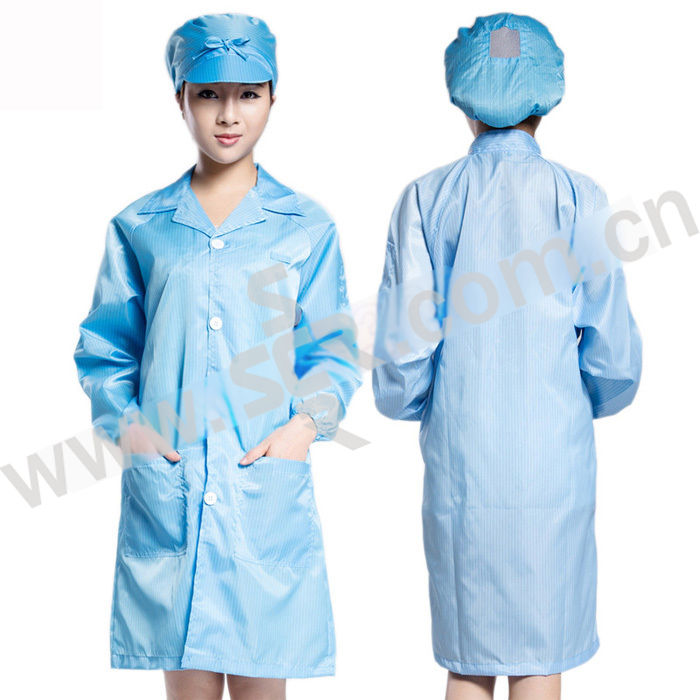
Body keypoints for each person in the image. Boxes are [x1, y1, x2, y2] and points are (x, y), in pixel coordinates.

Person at [73, 12, 362, 700]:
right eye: (208, 94)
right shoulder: (141, 226)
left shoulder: (306, 226)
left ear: (273, 97)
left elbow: (332, 351)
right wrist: (131, 427)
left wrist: (304, 427)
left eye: (248, 94)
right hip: (171, 485)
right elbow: (107, 350)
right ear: (180, 98)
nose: (229, 115)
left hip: (263, 491)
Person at [372, 13, 642, 700]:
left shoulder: (426, 199)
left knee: (469, 654)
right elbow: (612, 354)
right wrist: (580, 401)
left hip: (464, 460)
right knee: (540, 652)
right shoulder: (579, 197)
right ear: (546, 99)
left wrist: (423, 403)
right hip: (553, 458)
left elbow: (404, 352)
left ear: (463, 100)